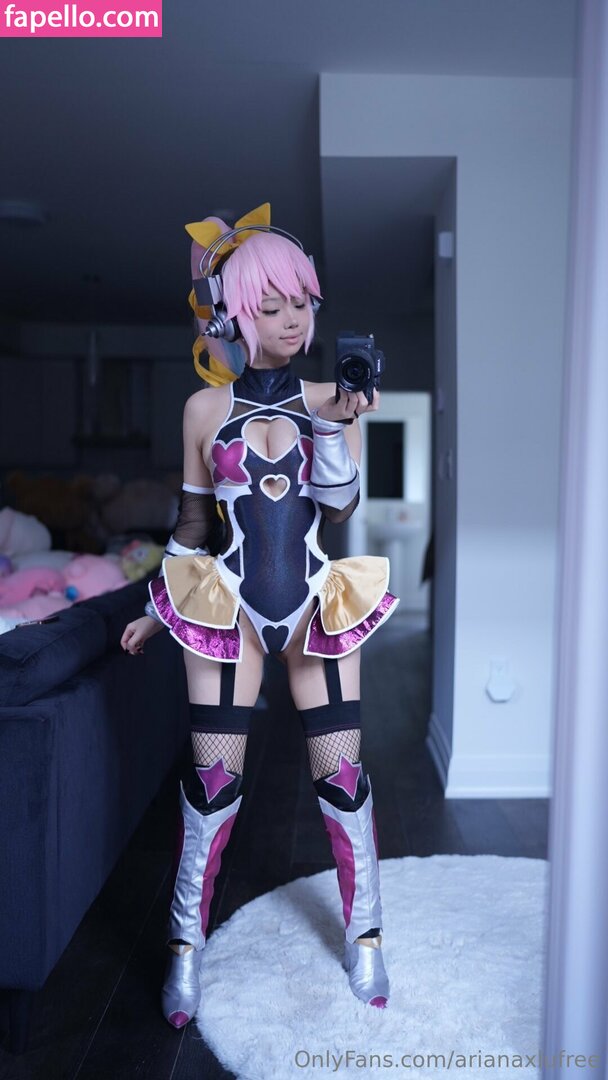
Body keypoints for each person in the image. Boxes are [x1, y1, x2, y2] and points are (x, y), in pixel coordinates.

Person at [120, 203, 399, 1028]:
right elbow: (192, 526)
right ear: (233, 315)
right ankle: (184, 947)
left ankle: (367, 936)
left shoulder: (332, 396)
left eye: (301, 301)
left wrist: (337, 427)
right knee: (212, 789)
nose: (291, 318)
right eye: (270, 305)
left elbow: (340, 509)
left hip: (317, 606)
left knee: (343, 781)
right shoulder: (202, 412)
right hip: (228, 612)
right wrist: (156, 607)